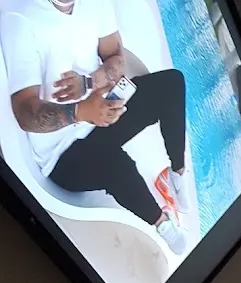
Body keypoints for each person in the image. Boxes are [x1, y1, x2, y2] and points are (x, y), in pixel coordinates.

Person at [2, 0, 190, 254]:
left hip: (100, 108)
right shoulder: (20, 19)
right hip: (62, 149)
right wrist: (80, 112)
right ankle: (163, 224)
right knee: (118, 165)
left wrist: (89, 82)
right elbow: (26, 113)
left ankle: (176, 174)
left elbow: (116, 59)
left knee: (171, 84)